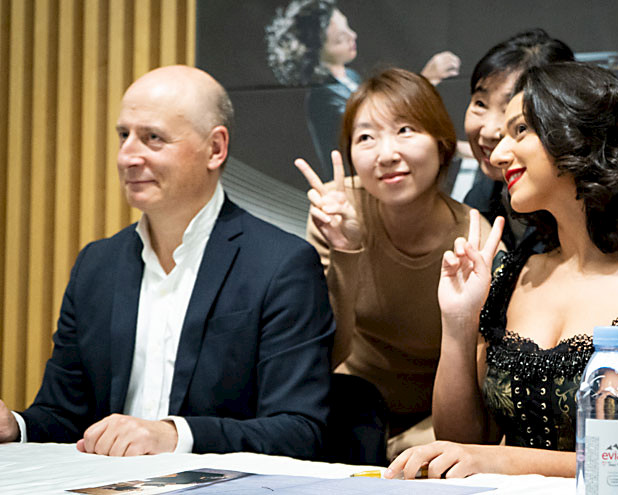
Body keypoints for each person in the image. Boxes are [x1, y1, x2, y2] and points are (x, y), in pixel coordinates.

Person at [386, 62, 618, 482]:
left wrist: (502, 462)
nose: (498, 155)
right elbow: (462, 442)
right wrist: (458, 322)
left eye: (520, 130)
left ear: (577, 135)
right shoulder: (512, 276)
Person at [0, 66, 335, 457]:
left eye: (152, 138)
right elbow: (64, 417)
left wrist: (175, 436)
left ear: (215, 149)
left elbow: (298, 430)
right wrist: (16, 426)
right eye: (123, 135)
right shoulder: (97, 265)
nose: (127, 156)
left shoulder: (281, 265)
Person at [294, 68, 494, 460]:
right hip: (348, 415)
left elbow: (479, 396)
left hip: (436, 427)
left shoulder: (475, 239)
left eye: (405, 130)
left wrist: (400, 446)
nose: (386, 155)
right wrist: (346, 250)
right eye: (366, 137)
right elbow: (321, 358)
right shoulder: (337, 210)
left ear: (442, 144)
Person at [266, 0, 460, 179]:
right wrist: (426, 80)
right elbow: (377, 123)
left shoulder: (350, 77)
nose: (353, 36)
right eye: (340, 38)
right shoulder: (323, 97)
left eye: (348, 27)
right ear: (316, 51)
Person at [462, 29, 574, 251]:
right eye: (480, 103)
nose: (489, 132)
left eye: (510, 111)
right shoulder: (480, 198)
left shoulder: (585, 208)